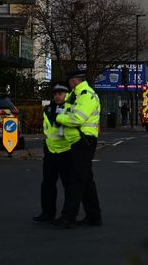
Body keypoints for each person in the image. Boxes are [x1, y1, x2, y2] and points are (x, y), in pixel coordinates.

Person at [52, 68, 102, 228]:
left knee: (76, 180)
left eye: (69, 80)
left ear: (75, 80)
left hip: (83, 141)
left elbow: (77, 119)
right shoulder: (78, 95)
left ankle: (68, 217)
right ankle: (93, 216)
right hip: (78, 141)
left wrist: (58, 118)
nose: (68, 83)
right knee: (86, 180)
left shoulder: (86, 95)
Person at [33, 84, 72, 223]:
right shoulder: (49, 108)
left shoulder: (71, 109)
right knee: (48, 184)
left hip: (66, 151)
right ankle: (47, 213)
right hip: (50, 151)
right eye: (55, 94)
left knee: (68, 185)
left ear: (67, 94)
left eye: (60, 93)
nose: (57, 96)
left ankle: (67, 215)